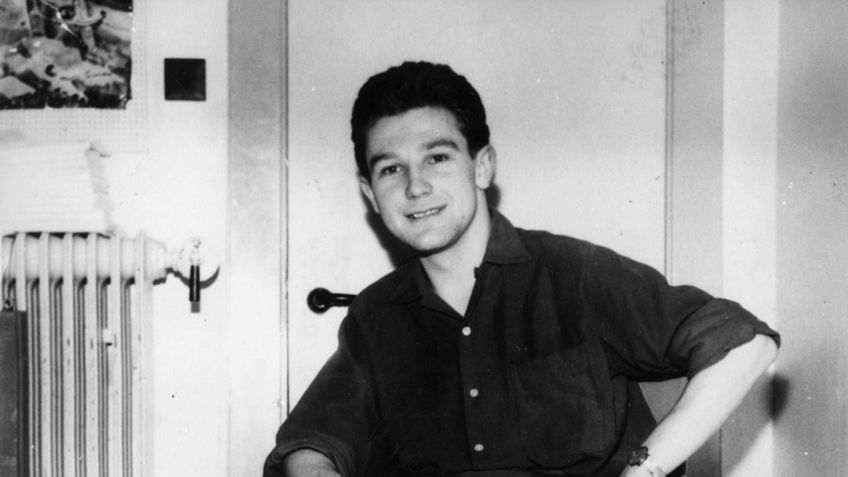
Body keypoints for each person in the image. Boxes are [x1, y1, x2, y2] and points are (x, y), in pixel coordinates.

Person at [263, 61, 780, 477]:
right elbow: (311, 442)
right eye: (391, 168)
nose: (415, 186)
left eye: (437, 158)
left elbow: (743, 343)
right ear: (370, 193)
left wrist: (644, 471)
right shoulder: (376, 315)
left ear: (482, 166)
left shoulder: (573, 273)